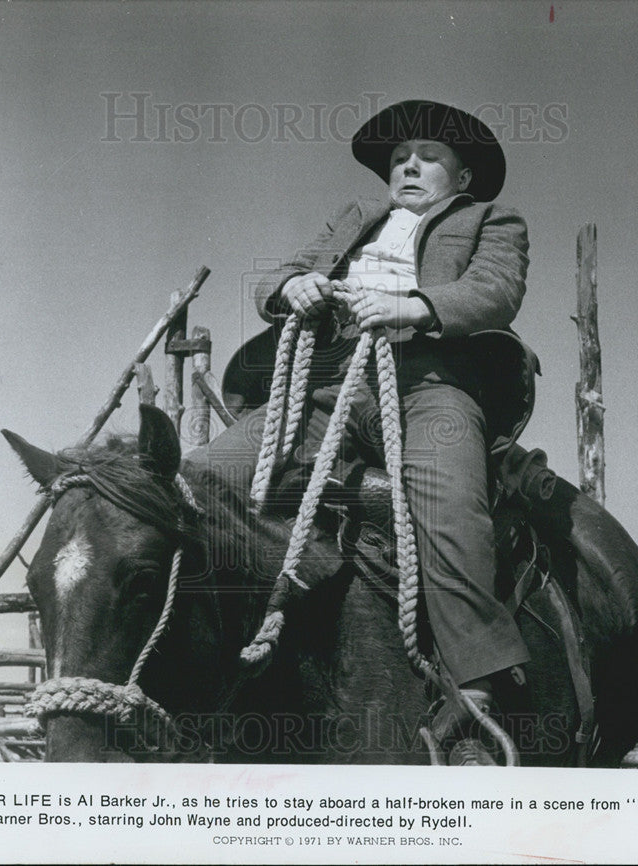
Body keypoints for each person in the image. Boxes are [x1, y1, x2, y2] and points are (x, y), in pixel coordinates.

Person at [193, 100, 534, 764]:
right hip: (329, 386)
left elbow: (495, 292)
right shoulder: (353, 220)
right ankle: (220, 645)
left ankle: (475, 694)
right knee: (206, 476)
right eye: (401, 157)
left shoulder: (491, 220)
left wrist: (414, 305)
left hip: (431, 385)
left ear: (461, 178)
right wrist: (295, 286)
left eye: (428, 157)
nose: (409, 164)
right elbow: (280, 275)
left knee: (451, 503)